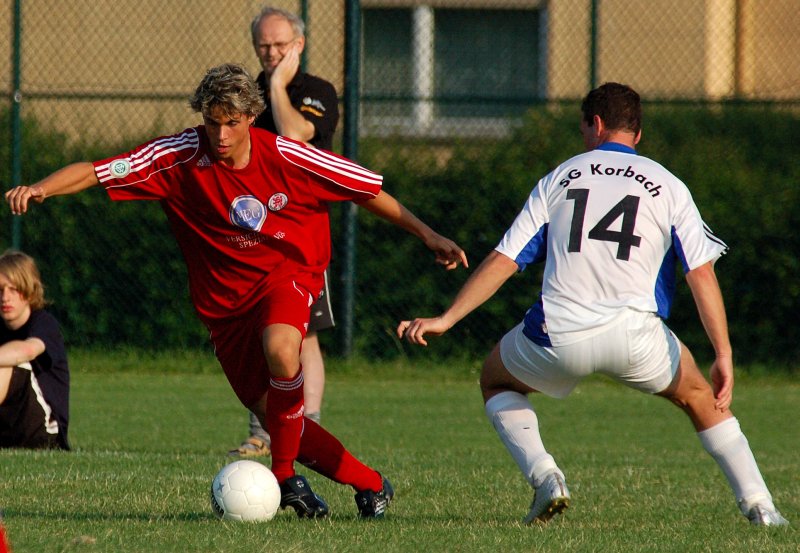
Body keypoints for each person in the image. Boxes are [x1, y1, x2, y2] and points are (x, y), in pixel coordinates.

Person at [5, 63, 468, 519]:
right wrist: (42, 189)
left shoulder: (289, 155)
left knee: (282, 348)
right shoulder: (178, 156)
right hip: (223, 307)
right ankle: (371, 483)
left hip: (287, 273)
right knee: (277, 418)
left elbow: (365, 188)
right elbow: (98, 170)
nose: (221, 134)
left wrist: (428, 234)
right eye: (212, 122)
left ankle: (284, 477)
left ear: (251, 117)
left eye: (231, 122)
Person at [397, 82, 788, 527]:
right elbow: (701, 274)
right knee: (700, 397)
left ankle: (546, 477)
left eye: (583, 127)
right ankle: (761, 506)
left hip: (558, 334)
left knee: (495, 379)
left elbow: (505, 260)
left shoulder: (560, 177)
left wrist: (447, 318)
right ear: (637, 133)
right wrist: (723, 354)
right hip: (637, 337)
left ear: (596, 124)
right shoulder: (669, 185)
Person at [229, 6, 340, 458]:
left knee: (302, 333)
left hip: (300, 234)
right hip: (252, 232)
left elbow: (295, 136)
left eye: (280, 45)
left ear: (299, 44)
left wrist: (277, 87)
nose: (271, 53)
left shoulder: (318, 92)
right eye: (264, 46)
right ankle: (262, 431)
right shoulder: (245, 94)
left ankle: (307, 430)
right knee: (257, 330)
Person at [0, 250, 70, 451]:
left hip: (44, 433)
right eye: (0, 290)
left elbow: (28, 350)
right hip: (8, 433)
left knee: (8, 365)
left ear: (30, 291)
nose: (5, 297)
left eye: (14, 289)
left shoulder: (43, 323)